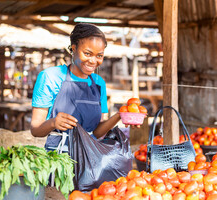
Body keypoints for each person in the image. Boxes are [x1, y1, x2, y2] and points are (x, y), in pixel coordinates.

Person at [30, 23, 138, 153]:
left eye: (99, 55)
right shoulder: (50, 77)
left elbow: (96, 133)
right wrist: (53, 123)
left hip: (90, 157)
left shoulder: (99, 83)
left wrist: (120, 115)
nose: (93, 61)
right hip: (58, 159)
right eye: (87, 53)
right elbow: (35, 130)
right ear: (74, 48)